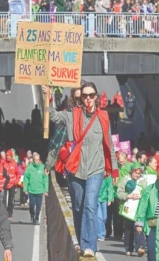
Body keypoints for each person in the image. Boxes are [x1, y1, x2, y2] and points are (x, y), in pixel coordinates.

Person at [43, 82, 119, 258]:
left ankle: (89, 246)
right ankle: (80, 241)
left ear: (96, 96)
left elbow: (109, 145)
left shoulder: (103, 117)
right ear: (80, 99)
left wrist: (114, 169)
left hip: (96, 169)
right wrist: (48, 97)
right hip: (75, 169)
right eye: (84, 96)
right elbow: (53, 116)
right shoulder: (72, 115)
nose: (88, 99)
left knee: (90, 205)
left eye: (91, 95)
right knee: (78, 207)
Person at [136, 168, 159, 261]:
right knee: (151, 251)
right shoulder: (150, 189)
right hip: (152, 226)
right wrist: (139, 222)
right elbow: (143, 206)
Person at [117, 165, 147, 256]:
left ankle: (139, 248)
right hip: (128, 208)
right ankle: (128, 248)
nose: (137, 175)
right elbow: (119, 193)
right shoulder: (124, 179)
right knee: (128, 228)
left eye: (139, 173)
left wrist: (141, 196)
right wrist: (128, 196)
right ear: (131, 172)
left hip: (139, 208)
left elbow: (146, 193)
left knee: (138, 227)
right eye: (135, 173)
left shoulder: (143, 181)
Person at [23, 153, 49, 225]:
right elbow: (26, 178)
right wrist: (25, 189)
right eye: (35, 160)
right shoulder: (29, 167)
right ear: (33, 160)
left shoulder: (42, 167)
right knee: (31, 205)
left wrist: (46, 190)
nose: (37, 161)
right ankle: (32, 214)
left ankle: (36, 218)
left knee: (38, 205)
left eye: (38, 160)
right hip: (31, 190)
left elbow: (45, 179)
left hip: (40, 190)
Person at [3, 150, 20, 220]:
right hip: (4, 184)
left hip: (12, 184)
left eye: (9, 156)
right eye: (7, 156)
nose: (8, 157)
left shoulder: (14, 164)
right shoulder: (3, 163)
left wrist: (16, 181)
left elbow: (18, 174)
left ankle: (10, 213)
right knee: (4, 200)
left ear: (12, 156)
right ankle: (4, 213)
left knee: (11, 200)